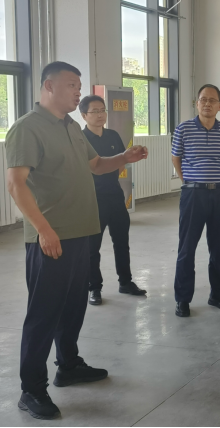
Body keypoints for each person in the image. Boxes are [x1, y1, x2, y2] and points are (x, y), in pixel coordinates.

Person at [6, 62, 148, 420]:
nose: (78, 91)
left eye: (79, 85)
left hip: (82, 231)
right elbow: (16, 185)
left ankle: (68, 365)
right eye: (71, 85)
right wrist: (43, 229)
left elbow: (96, 165)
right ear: (48, 86)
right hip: (51, 237)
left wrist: (124, 157)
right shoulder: (27, 128)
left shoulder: (70, 126)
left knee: (73, 307)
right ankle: (31, 389)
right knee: (44, 314)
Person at [171, 84, 220, 318]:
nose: (207, 104)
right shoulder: (184, 128)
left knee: (219, 248)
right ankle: (182, 299)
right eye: (203, 99)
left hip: (219, 194)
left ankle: (217, 295)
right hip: (193, 195)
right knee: (187, 248)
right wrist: (189, 181)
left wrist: (216, 182)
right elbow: (176, 158)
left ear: (219, 106)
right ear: (196, 103)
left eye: (212, 100)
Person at [80, 95, 147, 306]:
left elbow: (121, 162)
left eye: (103, 110)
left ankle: (125, 282)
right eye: (95, 111)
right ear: (84, 115)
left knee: (121, 241)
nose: (100, 115)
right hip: (92, 199)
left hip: (115, 196)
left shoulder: (113, 135)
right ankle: (94, 287)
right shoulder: (80, 139)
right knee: (92, 247)